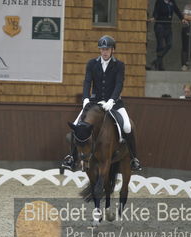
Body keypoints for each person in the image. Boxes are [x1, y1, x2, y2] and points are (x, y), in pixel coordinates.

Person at [61, 35, 142, 171]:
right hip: (94, 103)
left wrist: (112, 100)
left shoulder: (119, 65)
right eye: (102, 49)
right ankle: (71, 158)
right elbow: (87, 82)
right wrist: (86, 98)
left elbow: (119, 85)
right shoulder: (92, 64)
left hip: (114, 103)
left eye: (107, 49)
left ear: (112, 50)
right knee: (75, 125)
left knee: (128, 127)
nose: (105, 52)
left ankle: (134, 159)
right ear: (100, 50)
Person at [149, 0, 185, 71]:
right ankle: (159, 65)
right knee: (160, 46)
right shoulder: (159, 2)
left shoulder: (172, 2)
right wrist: (154, 17)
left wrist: (182, 19)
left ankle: (156, 60)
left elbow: (177, 10)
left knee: (169, 44)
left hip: (168, 26)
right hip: (160, 25)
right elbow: (156, 11)